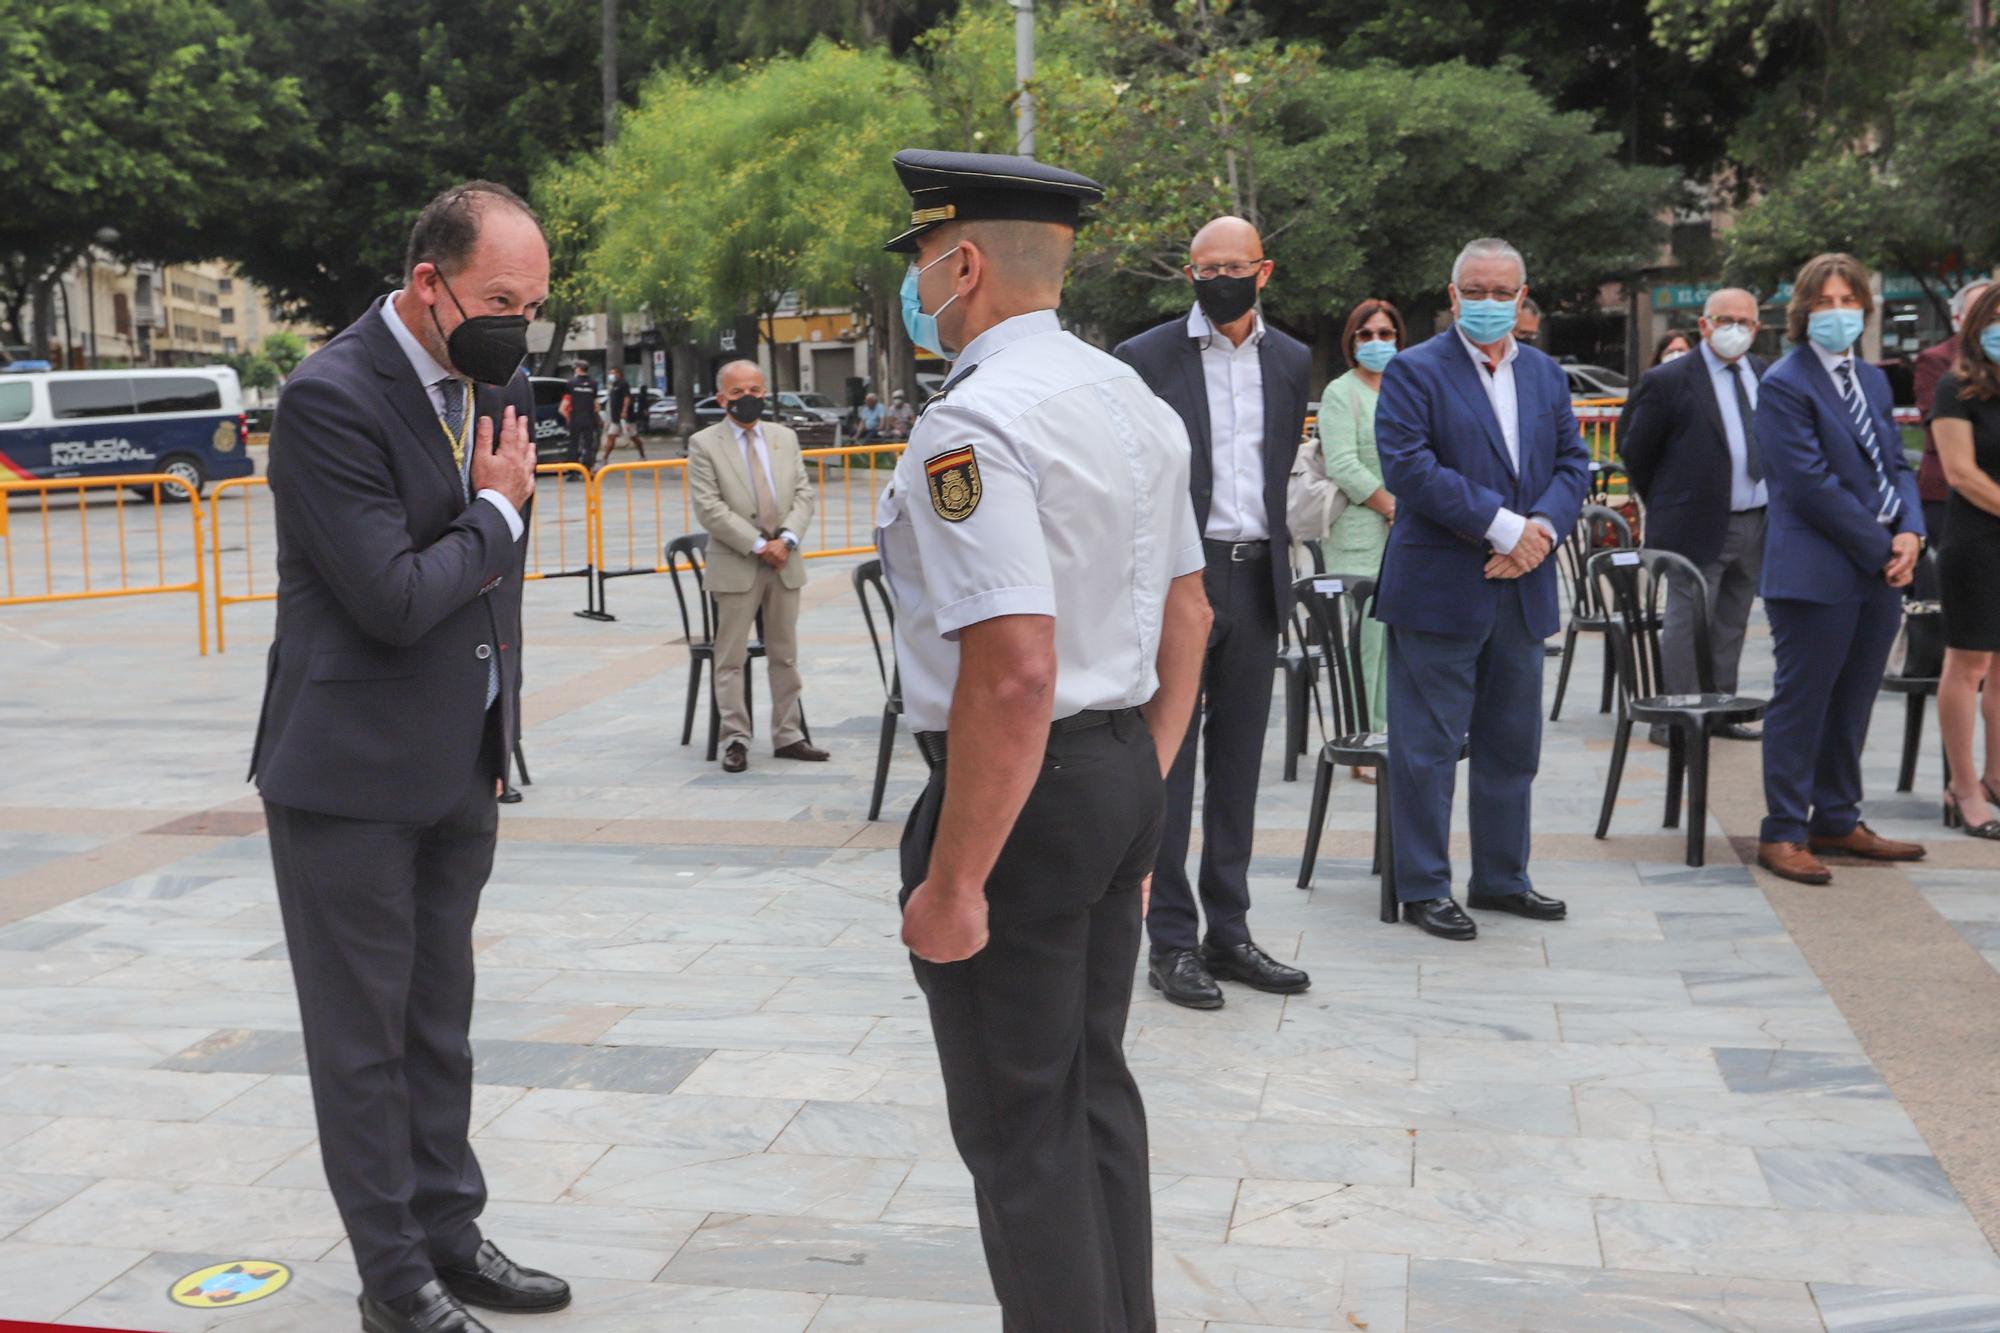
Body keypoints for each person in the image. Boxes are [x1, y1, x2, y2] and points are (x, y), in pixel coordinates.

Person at [879, 147, 1210, 1332]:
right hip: (1118, 767)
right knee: (1090, 1094)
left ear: (961, 262)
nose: (916, 285)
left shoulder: (969, 427)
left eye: (921, 260)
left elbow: (1014, 671)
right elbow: (1192, 614)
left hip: (1017, 794)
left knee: (1022, 1131)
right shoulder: (1132, 398)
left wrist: (955, 877)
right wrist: (1140, 789)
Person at [250, 181, 570, 1333]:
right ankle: (395, 1284)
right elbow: (391, 596)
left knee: (441, 1021)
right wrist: (495, 512)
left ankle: (450, 1233)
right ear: (427, 283)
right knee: (365, 1041)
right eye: (498, 300)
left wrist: (498, 730)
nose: (516, 328)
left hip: (455, 761)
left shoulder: (497, 382)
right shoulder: (330, 396)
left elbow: (494, 595)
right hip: (345, 773)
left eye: (532, 307)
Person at [1112, 216, 1313, 1010]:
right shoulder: (1145, 357)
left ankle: (1229, 929)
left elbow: (1278, 473)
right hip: (1177, 586)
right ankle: (1171, 941)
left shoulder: (1292, 359)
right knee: (1172, 764)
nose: (1220, 277)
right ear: (1189, 273)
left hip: (1255, 578)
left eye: (1235, 264)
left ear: (1263, 271)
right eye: (1206, 266)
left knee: (1237, 770)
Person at [1373, 237, 1591, 941]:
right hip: (1440, 586)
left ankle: (1501, 877)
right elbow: (1409, 467)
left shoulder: (1548, 375)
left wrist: (1541, 533)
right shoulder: (1414, 371)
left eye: (1504, 293)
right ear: (1453, 292)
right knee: (1426, 749)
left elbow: (1573, 464)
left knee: (1511, 744)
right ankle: (1424, 886)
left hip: (1521, 588)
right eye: (1478, 290)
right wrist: (1503, 529)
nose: (1491, 303)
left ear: (1523, 300)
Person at [1753, 252, 1927, 884]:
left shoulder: (1874, 380)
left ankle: (1836, 817)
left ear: (1865, 308)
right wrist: (1883, 547)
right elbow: (1808, 485)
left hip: (1879, 567)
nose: (1837, 313)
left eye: (1848, 302)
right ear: (1802, 311)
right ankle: (1783, 831)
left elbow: (1896, 465)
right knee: (1804, 702)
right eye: (1823, 302)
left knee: (1853, 700)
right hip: (1816, 569)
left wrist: (1911, 530)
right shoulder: (1784, 382)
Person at [1618, 288, 1769, 744]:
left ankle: (1720, 710)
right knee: (1687, 623)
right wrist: (1671, 499)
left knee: (1732, 621)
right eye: (1725, 320)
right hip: (1695, 523)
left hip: (1755, 520)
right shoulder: (1671, 380)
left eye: (1744, 322)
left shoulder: (1763, 374)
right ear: (1704, 324)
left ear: (1757, 329)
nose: (1734, 330)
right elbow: (1636, 451)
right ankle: (1676, 717)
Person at [687, 358, 826, 773]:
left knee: (785, 654)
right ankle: (735, 739)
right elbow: (709, 508)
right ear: (721, 397)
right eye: (738, 393)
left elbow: (804, 494)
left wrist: (785, 540)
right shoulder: (704, 444)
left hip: (785, 561)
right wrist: (757, 544)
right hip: (736, 563)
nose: (748, 399)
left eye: (756, 391)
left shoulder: (784, 437)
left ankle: (789, 735)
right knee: (731, 658)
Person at [1928, 281, 2000, 838]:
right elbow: (1960, 473)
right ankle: (1964, 787)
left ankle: (1998, 777)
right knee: (1969, 664)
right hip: (1977, 541)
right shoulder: (1958, 388)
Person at [1318, 297, 1404, 739]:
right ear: (1352, 340)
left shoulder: (1406, 387)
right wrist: (1390, 507)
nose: (1375, 341)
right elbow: (1343, 464)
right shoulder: (1341, 392)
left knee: (1395, 639)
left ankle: (1388, 728)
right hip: (1360, 532)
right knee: (1364, 640)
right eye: (1366, 334)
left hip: (1407, 533)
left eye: (1384, 334)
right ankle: (1361, 733)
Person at [1915, 278, 1991, 544]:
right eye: (1980, 315)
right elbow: (1938, 429)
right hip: (1948, 498)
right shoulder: (1939, 363)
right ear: (1959, 318)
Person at [562, 358, 600, 469]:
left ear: (578, 369)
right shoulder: (593, 384)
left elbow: (564, 405)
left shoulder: (571, 383)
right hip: (589, 418)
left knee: (574, 444)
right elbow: (596, 405)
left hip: (575, 417)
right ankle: (587, 468)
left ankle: (573, 470)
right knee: (588, 444)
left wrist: (568, 418)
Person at [600, 365, 636, 465]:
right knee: (611, 436)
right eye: (610, 373)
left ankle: (642, 454)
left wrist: (624, 411)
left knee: (634, 437)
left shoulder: (623, 384)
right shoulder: (613, 386)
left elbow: (627, 398)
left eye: (613, 373)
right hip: (615, 417)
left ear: (619, 374)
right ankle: (605, 458)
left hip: (626, 417)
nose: (611, 375)